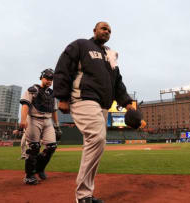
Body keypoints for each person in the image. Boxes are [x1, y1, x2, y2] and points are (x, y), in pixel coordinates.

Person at [54, 21, 145, 203]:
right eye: (104, 28)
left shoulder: (110, 56)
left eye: (110, 31)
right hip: (83, 97)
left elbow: (117, 83)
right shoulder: (81, 45)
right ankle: (83, 195)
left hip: (102, 105)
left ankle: (85, 194)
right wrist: (62, 96)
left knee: (96, 143)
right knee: (97, 137)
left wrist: (127, 104)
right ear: (94, 30)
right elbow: (63, 67)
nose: (107, 32)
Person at [19, 69, 61, 185]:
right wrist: (23, 120)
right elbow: (25, 105)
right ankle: (29, 175)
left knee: (52, 146)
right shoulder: (33, 89)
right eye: (47, 78)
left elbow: (54, 111)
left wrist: (57, 126)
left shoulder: (52, 93)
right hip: (33, 119)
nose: (49, 81)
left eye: (51, 79)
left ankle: (39, 169)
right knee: (34, 148)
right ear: (42, 77)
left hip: (48, 121)